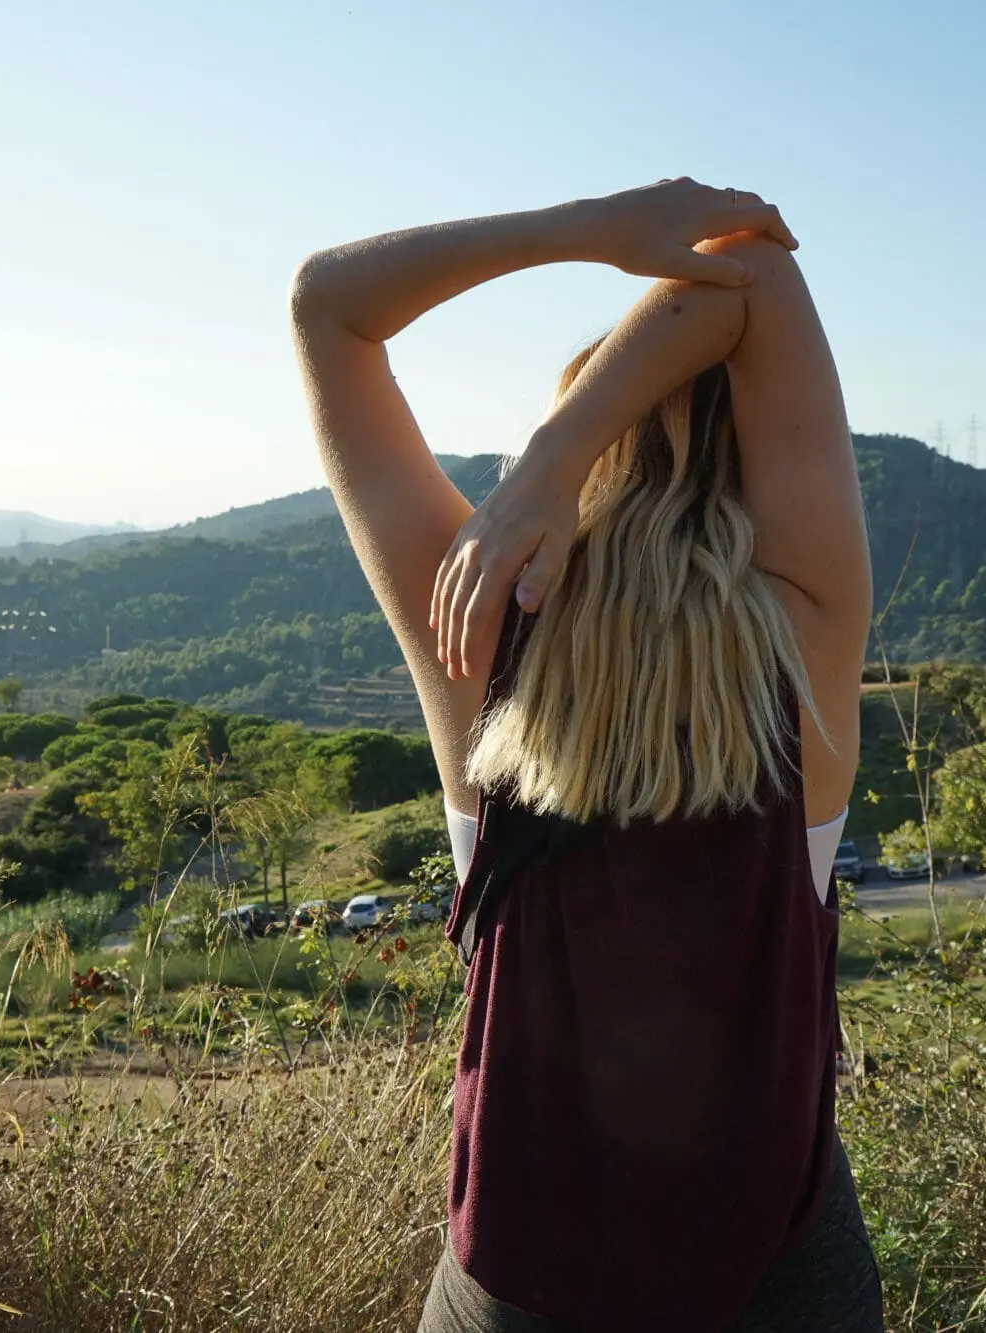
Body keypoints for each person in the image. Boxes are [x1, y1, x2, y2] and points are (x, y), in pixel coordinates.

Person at [290, 179, 878, 1331]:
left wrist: (589, 238)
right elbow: (751, 267)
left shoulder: (471, 631)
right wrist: (560, 452)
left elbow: (327, 305)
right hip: (777, 1270)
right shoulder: (806, 636)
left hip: (518, 1281)